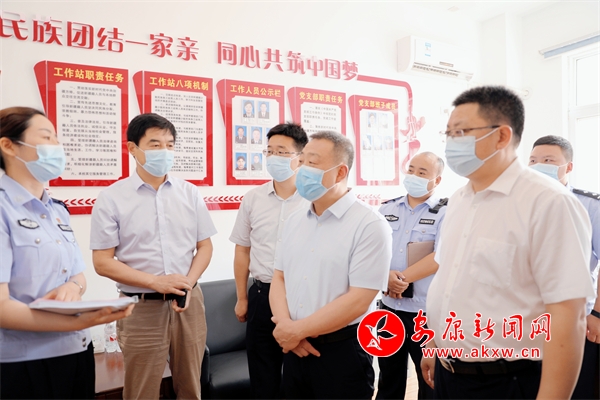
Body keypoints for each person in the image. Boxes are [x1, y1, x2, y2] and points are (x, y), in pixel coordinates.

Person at [421, 86, 594, 399]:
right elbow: (451, 282)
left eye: (460, 132)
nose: (450, 143)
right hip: (450, 373)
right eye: (448, 133)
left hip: (509, 380)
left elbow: (568, 316)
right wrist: (436, 343)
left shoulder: (548, 202)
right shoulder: (459, 200)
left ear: (501, 136)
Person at [0, 107, 134, 399]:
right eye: (46, 137)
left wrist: (72, 288)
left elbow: (77, 276)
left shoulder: (56, 210)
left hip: (76, 350)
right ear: (8, 145)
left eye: (56, 138)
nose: (56, 146)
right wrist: (80, 321)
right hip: (24, 362)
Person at [90, 113, 216, 400]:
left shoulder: (189, 193)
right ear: (132, 149)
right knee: (141, 391)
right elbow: (102, 262)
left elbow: (205, 247)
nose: (165, 151)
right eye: (155, 144)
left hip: (188, 302)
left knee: (191, 387)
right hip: (140, 307)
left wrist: (188, 283)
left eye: (170, 145)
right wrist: (155, 282)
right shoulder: (112, 197)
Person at [269, 131, 392, 399]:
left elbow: (359, 299)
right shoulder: (295, 220)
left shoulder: (370, 225)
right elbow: (279, 277)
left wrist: (295, 331)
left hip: (342, 352)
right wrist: (286, 327)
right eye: (302, 161)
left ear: (340, 173)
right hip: (294, 348)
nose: (302, 169)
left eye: (312, 163)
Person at [230, 123, 309, 398]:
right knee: (262, 376)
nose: (274, 157)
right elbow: (242, 250)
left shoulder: (313, 200)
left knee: (300, 376)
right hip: (261, 296)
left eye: (282, 152)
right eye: (270, 151)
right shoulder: (253, 198)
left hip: (301, 297)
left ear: (300, 157)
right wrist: (242, 298)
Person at [529, 135, 600, 399]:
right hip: (527, 319)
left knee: (575, 390)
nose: (538, 165)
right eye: (533, 160)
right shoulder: (519, 204)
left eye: (548, 160)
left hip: (575, 318)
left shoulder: (590, 205)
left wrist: (597, 314)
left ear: (568, 166)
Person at [376, 152, 446, 400]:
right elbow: (372, 251)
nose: (414, 175)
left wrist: (399, 280)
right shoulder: (387, 208)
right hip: (389, 309)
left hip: (424, 314)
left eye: (422, 172)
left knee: (429, 380)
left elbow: (441, 255)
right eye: (411, 169)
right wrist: (385, 276)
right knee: (388, 379)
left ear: (437, 180)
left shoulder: (447, 212)